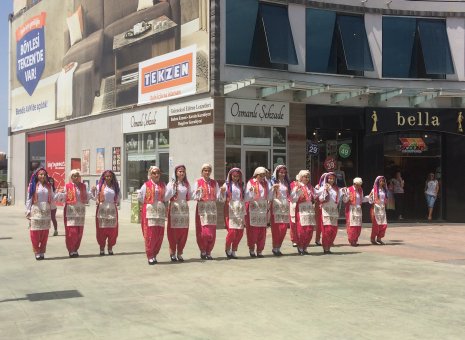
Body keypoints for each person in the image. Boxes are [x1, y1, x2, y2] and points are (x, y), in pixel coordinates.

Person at [56, 169, 94, 258]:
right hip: (70, 211)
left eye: (78, 176)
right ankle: (71, 249)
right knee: (71, 231)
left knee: (79, 232)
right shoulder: (67, 186)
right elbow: (63, 197)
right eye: (74, 176)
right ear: (71, 177)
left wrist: (92, 191)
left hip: (80, 211)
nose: (76, 178)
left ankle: (76, 249)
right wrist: (60, 195)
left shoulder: (83, 186)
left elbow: (87, 196)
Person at [193, 163, 223, 260]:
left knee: (212, 231)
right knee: (203, 231)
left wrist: (222, 192)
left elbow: (219, 197)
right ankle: (203, 250)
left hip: (212, 209)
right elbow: (194, 196)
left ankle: (209, 251)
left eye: (209, 170)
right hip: (202, 208)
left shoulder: (214, 183)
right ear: (202, 172)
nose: (207, 172)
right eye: (205, 170)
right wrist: (198, 192)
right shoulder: (198, 182)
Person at [25, 168, 57, 260]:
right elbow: (29, 198)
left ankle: (42, 251)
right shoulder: (33, 186)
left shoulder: (49, 186)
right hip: (36, 210)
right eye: (40, 174)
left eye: (44, 174)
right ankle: (36, 251)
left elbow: (53, 196)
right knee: (35, 232)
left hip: (46, 211)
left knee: (44, 232)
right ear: (37, 176)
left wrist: (62, 196)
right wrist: (27, 210)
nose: (42, 176)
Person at [138, 166, 166, 265]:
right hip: (150, 210)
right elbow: (140, 197)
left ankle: (154, 254)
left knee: (159, 234)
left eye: (158, 173)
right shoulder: (146, 185)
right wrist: (148, 204)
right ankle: (150, 255)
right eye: (154, 173)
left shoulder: (163, 185)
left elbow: (165, 197)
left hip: (160, 211)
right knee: (150, 233)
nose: (156, 175)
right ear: (150, 174)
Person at [165, 165, 192, 262]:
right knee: (173, 232)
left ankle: (180, 252)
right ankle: (172, 252)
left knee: (183, 231)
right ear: (176, 173)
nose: (181, 173)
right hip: (174, 208)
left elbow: (190, 196)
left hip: (184, 209)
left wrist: (198, 193)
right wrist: (172, 190)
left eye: (183, 172)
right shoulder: (171, 184)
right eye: (180, 171)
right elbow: (166, 197)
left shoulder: (186, 184)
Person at [244, 167, 270, 258]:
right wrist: (251, 192)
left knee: (262, 231)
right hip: (253, 209)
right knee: (252, 230)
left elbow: (269, 195)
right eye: (261, 175)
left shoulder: (266, 183)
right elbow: (247, 197)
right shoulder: (250, 182)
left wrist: (274, 190)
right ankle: (251, 249)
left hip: (262, 209)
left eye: (264, 175)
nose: (262, 177)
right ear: (256, 174)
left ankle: (259, 250)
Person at [291, 170, 317, 255]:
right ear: (301, 177)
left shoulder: (310, 187)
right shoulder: (297, 186)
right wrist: (297, 192)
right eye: (305, 177)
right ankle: (300, 247)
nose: (307, 178)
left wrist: (324, 190)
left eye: (308, 177)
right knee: (302, 230)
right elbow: (293, 198)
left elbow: (316, 195)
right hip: (301, 210)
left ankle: (305, 247)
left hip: (309, 210)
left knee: (309, 229)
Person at [221, 167, 246, 259]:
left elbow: (245, 197)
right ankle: (227, 249)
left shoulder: (241, 185)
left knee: (240, 231)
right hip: (230, 209)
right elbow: (222, 198)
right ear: (230, 176)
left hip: (239, 209)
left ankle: (234, 249)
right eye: (234, 176)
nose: (235, 178)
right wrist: (222, 192)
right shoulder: (226, 185)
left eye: (237, 176)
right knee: (232, 231)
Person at [95, 170, 120, 256]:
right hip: (102, 209)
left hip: (112, 209)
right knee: (101, 230)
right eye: (106, 176)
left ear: (112, 177)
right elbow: (94, 196)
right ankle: (102, 248)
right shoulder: (99, 186)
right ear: (104, 177)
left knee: (113, 230)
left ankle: (110, 247)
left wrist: (117, 201)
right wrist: (97, 200)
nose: (108, 178)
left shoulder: (115, 187)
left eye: (110, 176)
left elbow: (118, 197)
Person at [270, 165, 291, 256]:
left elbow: (290, 195)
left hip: (285, 206)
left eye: (284, 172)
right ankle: (275, 248)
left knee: (283, 228)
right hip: (276, 206)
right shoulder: (272, 182)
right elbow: (269, 195)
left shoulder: (287, 183)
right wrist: (272, 189)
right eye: (280, 172)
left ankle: (279, 247)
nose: (282, 174)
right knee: (276, 229)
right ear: (277, 173)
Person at [318, 172, 342, 254]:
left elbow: (339, 199)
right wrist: (326, 191)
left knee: (333, 230)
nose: (331, 180)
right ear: (326, 179)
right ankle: (325, 247)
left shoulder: (337, 188)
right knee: (327, 229)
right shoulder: (323, 187)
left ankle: (329, 246)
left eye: (332, 178)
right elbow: (321, 199)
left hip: (334, 210)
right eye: (329, 178)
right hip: (326, 210)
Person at [342, 177, 368, 247]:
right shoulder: (348, 189)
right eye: (358, 185)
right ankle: (351, 240)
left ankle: (355, 240)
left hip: (358, 209)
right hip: (351, 209)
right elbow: (344, 200)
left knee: (358, 225)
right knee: (352, 225)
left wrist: (368, 198)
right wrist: (346, 196)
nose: (359, 186)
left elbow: (362, 199)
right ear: (354, 184)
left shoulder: (360, 190)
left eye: (360, 185)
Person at [368, 176, 389, 245]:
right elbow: (370, 198)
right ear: (377, 182)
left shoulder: (384, 190)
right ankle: (372, 238)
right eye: (380, 181)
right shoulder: (374, 190)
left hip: (382, 208)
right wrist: (372, 200)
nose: (382, 182)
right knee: (376, 225)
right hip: (376, 208)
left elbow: (385, 199)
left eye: (383, 181)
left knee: (384, 224)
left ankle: (379, 238)